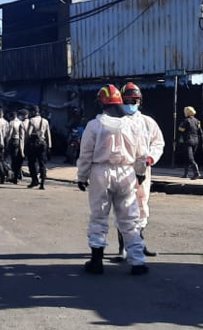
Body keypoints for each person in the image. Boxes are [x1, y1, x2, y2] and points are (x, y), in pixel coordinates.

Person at [76, 84, 149, 276]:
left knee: (98, 216)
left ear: (101, 102)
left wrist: (82, 177)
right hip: (127, 172)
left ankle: (97, 261)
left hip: (100, 173)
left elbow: (85, 155)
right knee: (130, 219)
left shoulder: (94, 125)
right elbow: (142, 155)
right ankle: (138, 262)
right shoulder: (133, 125)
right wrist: (140, 173)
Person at [112, 82, 165, 262]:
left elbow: (158, 143)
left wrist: (151, 158)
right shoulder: (116, 121)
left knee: (142, 206)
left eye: (134, 100)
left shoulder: (147, 122)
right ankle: (123, 248)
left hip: (143, 169)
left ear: (140, 101)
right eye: (127, 100)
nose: (131, 103)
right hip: (123, 170)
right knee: (123, 208)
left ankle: (139, 245)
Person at [24, 105, 52, 189]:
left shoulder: (32, 120)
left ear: (33, 112)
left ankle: (34, 180)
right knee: (42, 163)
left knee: (32, 162)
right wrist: (49, 146)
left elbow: (28, 133)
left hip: (34, 144)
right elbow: (48, 134)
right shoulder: (45, 121)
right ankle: (42, 182)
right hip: (43, 143)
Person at [178, 106, 203, 180]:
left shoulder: (186, 121)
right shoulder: (197, 121)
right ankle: (185, 174)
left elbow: (180, 130)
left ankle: (197, 173)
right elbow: (201, 132)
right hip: (196, 141)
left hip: (188, 140)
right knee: (188, 157)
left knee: (190, 158)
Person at [7, 109, 26, 184]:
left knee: (13, 160)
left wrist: (7, 143)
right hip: (20, 141)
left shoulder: (12, 122)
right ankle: (19, 174)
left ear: (12, 116)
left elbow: (10, 134)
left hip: (13, 141)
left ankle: (14, 176)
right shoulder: (21, 122)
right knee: (18, 159)